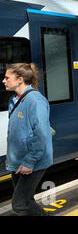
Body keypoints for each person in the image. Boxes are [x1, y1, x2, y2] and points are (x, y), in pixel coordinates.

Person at [3, 63, 53, 216]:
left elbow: (42, 134)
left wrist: (29, 161)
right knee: (27, 200)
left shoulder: (35, 101)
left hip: (31, 161)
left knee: (20, 204)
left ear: (19, 80)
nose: (3, 81)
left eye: (7, 78)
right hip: (18, 161)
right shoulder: (14, 99)